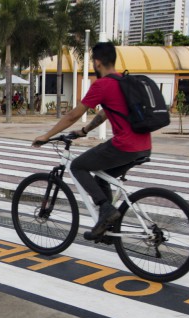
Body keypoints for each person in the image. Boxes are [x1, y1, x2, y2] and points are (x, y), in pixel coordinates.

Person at [33, 41, 152, 242]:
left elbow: (73, 115)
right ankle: (108, 226)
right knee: (101, 177)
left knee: (78, 166)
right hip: (144, 146)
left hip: (125, 145)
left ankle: (106, 210)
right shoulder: (123, 82)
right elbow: (106, 112)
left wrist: (46, 135)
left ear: (97, 63)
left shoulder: (103, 85)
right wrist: (85, 131)